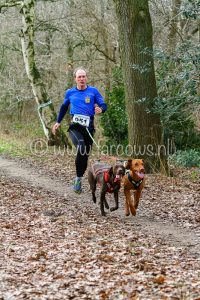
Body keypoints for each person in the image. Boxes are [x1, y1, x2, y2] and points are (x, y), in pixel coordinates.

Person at [52, 67, 107, 194]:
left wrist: (101, 109)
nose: (82, 79)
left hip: (89, 128)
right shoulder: (70, 93)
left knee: (85, 155)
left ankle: (79, 178)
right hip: (75, 127)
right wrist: (57, 122)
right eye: (79, 77)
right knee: (81, 148)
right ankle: (77, 180)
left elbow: (103, 105)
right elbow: (64, 107)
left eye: (84, 76)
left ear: (86, 77)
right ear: (75, 79)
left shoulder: (93, 91)